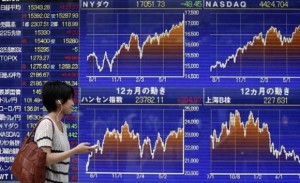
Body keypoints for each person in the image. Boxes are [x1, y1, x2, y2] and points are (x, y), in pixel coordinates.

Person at [34, 80, 95, 183]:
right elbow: (45, 159)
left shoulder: (62, 126)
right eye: (70, 99)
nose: (73, 103)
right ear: (59, 102)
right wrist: (74, 151)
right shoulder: (46, 124)